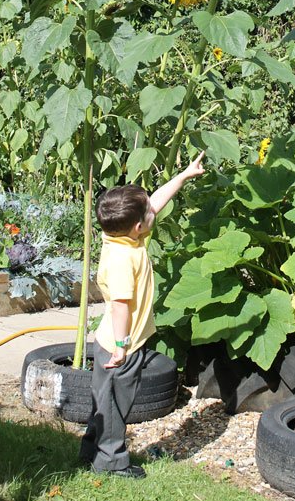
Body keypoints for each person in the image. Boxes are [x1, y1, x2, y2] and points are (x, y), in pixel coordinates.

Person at [79, 152, 206, 478]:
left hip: (113, 341)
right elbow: (121, 305)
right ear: (139, 227)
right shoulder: (124, 258)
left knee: (103, 401)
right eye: (147, 210)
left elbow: (156, 203)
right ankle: (111, 463)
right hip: (120, 345)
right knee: (114, 405)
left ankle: (90, 449)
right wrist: (123, 346)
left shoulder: (124, 238)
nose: (154, 209)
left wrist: (183, 176)